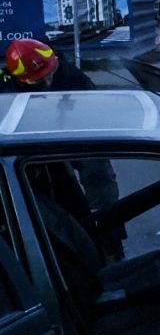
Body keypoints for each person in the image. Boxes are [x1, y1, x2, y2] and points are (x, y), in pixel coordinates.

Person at [3, 39, 122, 256]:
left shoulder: (71, 76)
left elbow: (95, 113)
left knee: (99, 176)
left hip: (78, 134)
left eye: (50, 73)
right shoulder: (8, 86)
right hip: (37, 145)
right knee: (54, 193)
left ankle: (111, 240)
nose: (48, 81)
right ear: (19, 80)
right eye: (38, 81)